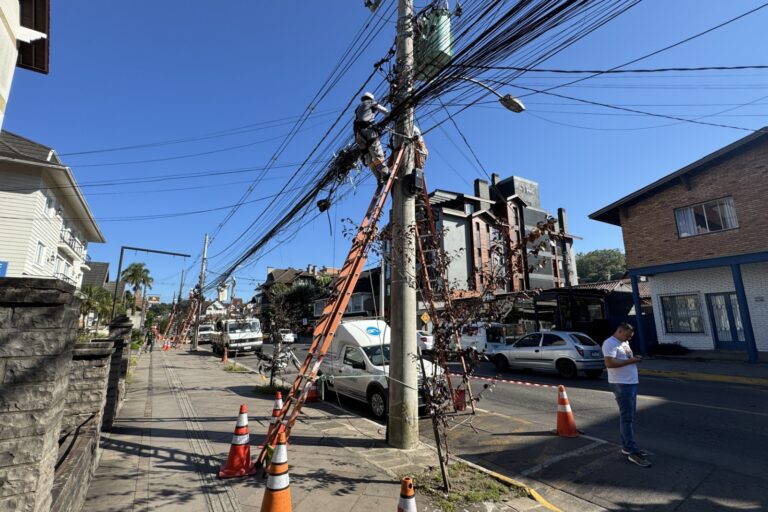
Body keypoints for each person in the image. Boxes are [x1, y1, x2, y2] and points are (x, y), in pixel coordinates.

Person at [602, 322, 651, 467]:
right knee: (627, 418)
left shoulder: (623, 343)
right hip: (622, 384)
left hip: (630, 382)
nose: (628, 339)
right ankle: (631, 450)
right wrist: (631, 360)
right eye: (627, 335)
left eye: (630, 337)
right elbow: (609, 363)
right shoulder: (609, 343)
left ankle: (626, 446)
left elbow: (625, 359)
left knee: (628, 417)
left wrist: (634, 358)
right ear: (620, 331)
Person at [354, 91, 390, 184]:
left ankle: (378, 178)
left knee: (368, 157)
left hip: (358, 135)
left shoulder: (358, 108)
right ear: (370, 98)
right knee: (376, 153)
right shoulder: (371, 102)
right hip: (368, 132)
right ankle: (385, 174)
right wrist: (388, 118)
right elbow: (385, 112)